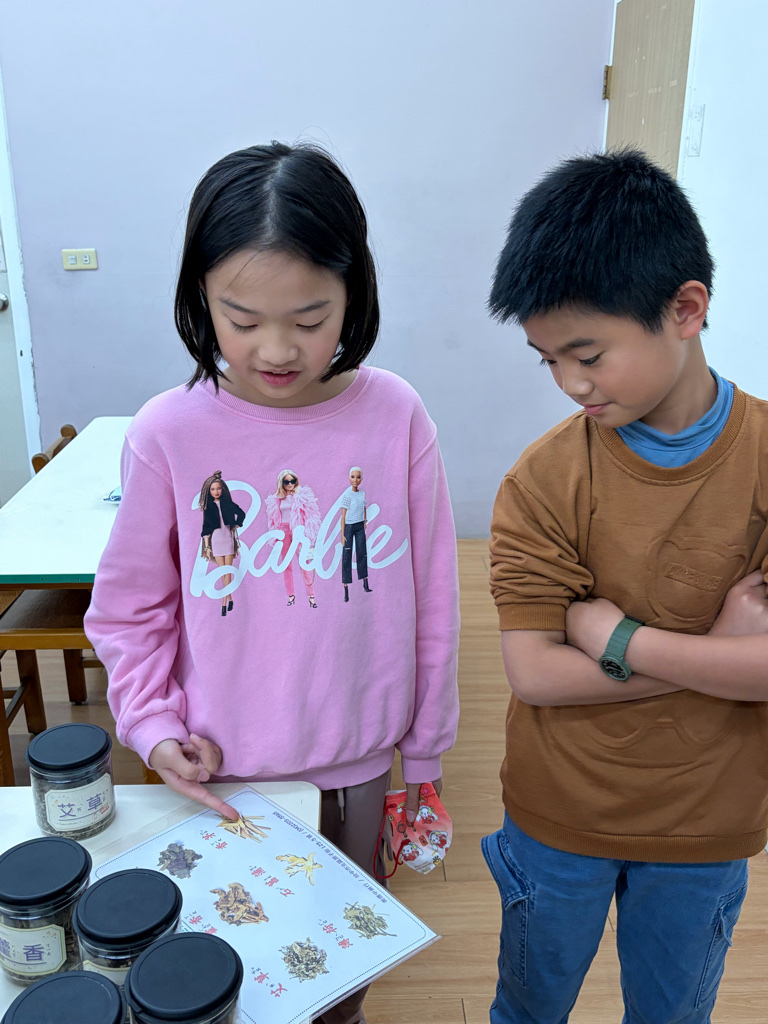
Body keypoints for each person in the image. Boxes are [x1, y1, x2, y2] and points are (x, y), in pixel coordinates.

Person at [84, 142, 460, 1024]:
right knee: (232, 981)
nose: (279, 349)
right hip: (221, 774)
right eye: (243, 318)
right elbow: (130, 611)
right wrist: (152, 724)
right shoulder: (168, 433)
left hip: (357, 770)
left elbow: (435, 600)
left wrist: (426, 751)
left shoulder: (395, 415)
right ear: (200, 298)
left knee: (337, 980)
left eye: (311, 316)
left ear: (354, 295)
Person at [484, 149, 768, 1024]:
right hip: (558, 814)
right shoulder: (544, 479)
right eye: (548, 360)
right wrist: (719, 657)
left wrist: (616, 639)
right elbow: (535, 673)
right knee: (527, 1011)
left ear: (685, 309)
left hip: (705, 823)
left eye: (588, 354)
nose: (571, 385)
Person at [265, 469, 321, 608]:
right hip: (283, 530)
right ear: (282, 483)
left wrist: (308, 531)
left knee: (304, 563)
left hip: (298, 530)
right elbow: (273, 518)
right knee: (286, 564)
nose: (290, 484)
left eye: (293, 481)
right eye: (287, 481)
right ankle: (291, 595)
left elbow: (310, 514)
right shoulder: (277, 499)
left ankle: (311, 595)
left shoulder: (301, 496)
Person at [198, 470, 246, 616]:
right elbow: (206, 528)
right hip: (216, 541)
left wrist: (236, 525)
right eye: (213, 489)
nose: (216, 491)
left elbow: (241, 513)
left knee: (228, 572)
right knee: (222, 572)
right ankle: (228, 599)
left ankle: (224, 602)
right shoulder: (208, 507)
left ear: (222, 489)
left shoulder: (227, 504)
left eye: (218, 488)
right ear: (209, 491)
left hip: (228, 540)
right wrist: (207, 546)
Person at [340, 466, 371, 602]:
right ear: (349, 478)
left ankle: (365, 581)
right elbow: (343, 515)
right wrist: (342, 534)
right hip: (349, 526)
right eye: (353, 477)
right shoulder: (347, 495)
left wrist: (364, 520)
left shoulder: (362, 494)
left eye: (358, 477)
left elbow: (364, 507)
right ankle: (346, 588)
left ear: (361, 479)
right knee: (347, 555)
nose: (355, 480)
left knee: (362, 552)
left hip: (359, 526)